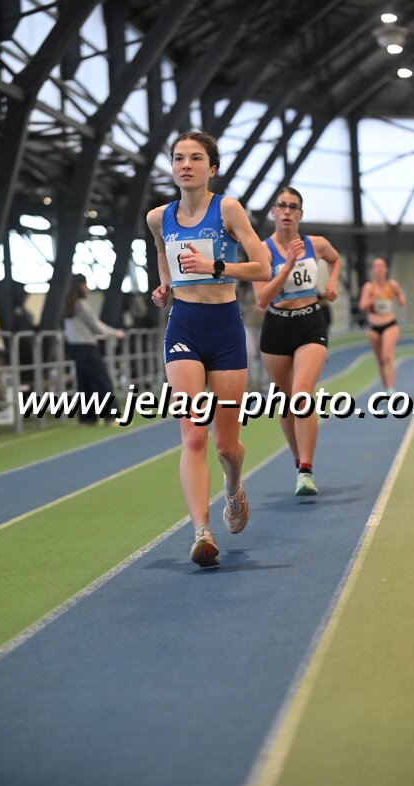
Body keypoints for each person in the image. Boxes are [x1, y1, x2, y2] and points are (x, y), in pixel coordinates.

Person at [147, 130, 270, 569]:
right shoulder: (158, 217)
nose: (186, 165)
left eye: (196, 158)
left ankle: (233, 488)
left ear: (211, 168)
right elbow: (163, 254)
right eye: (178, 158)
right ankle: (201, 532)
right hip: (184, 327)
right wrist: (165, 285)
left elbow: (263, 267)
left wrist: (215, 266)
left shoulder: (228, 209)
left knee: (225, 444)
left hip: (224, 329)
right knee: (193, 433)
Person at [253, 187, 341, 497]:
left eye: (293, 206)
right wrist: (288, 265)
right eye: (282, 206)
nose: (287, 211)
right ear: (274, 212)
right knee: (287, 403)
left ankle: (306, 470)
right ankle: (297, 461)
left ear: (301, 214)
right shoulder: (262, 250)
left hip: (310, 323)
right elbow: (261, 299)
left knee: (302, 395)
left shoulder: (316, 244)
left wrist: (331, 283)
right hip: (277, 327)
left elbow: (335, 260)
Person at [63, 274, 124, 424]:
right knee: (102, 381)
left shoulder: (68, 305)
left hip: (75, 347)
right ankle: (111, 416)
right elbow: (95, 325)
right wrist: (114, 332)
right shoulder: (81, 304)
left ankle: (88, 418)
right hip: (87, 347)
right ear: (81, 285)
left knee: (85, 383)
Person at [358, 257, 406, 396]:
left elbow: (401, 298)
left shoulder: (392, 284)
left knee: (387, 356)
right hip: (373, 326)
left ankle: (391, 388)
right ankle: (387, 389)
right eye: (376, 266)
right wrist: (373, 299)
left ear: (386, 269)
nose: (379, 269)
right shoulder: (369, 287)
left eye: (381, 266)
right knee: (380, 360)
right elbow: (362, 306)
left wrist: (400, 298)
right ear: (372, 270)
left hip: (390, 324)